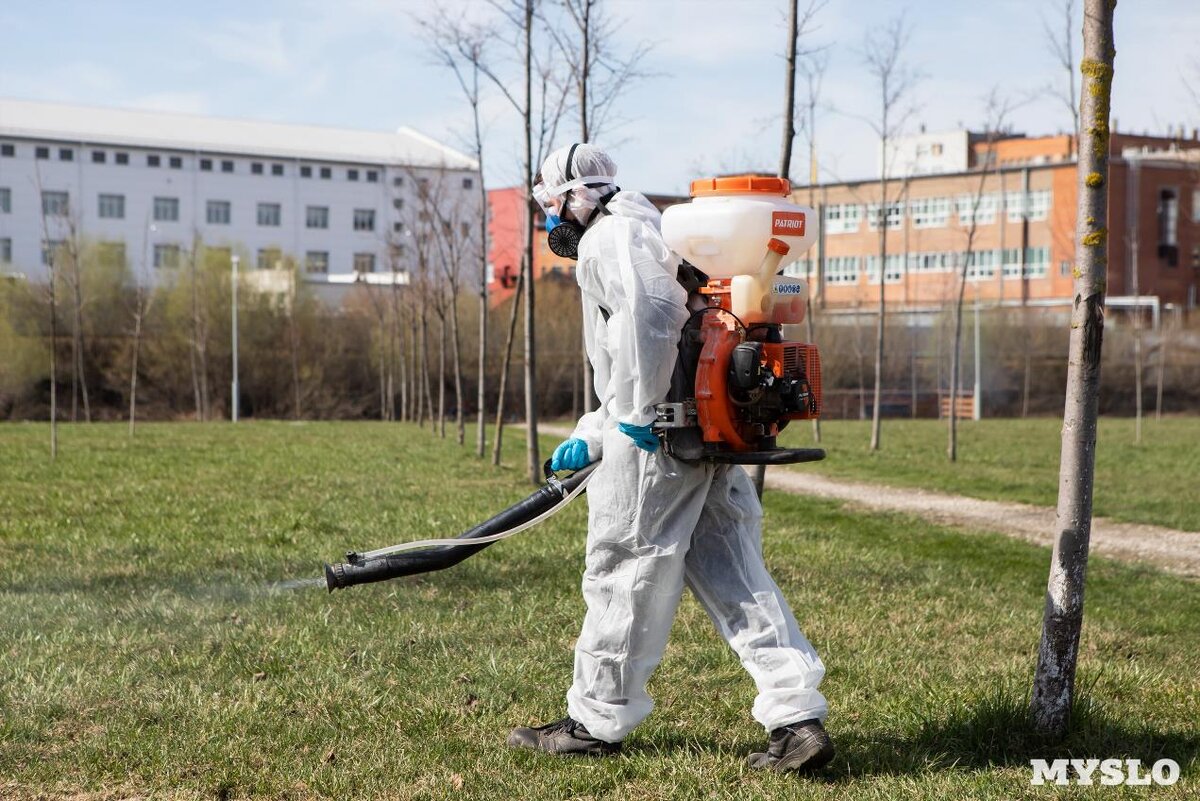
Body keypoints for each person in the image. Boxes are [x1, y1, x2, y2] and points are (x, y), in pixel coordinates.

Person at [507, 143, 834, 773]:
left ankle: (596, 719)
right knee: (736, 576)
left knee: (623, 571)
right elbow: (642, 347)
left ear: (575, 197)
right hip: (699, 433)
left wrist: (630, 416)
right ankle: (798, 719)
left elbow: (653, 321)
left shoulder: (611, 238)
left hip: (657, 441)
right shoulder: (652, 228)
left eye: (551, 206)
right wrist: (595, 429)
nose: (551, 222)